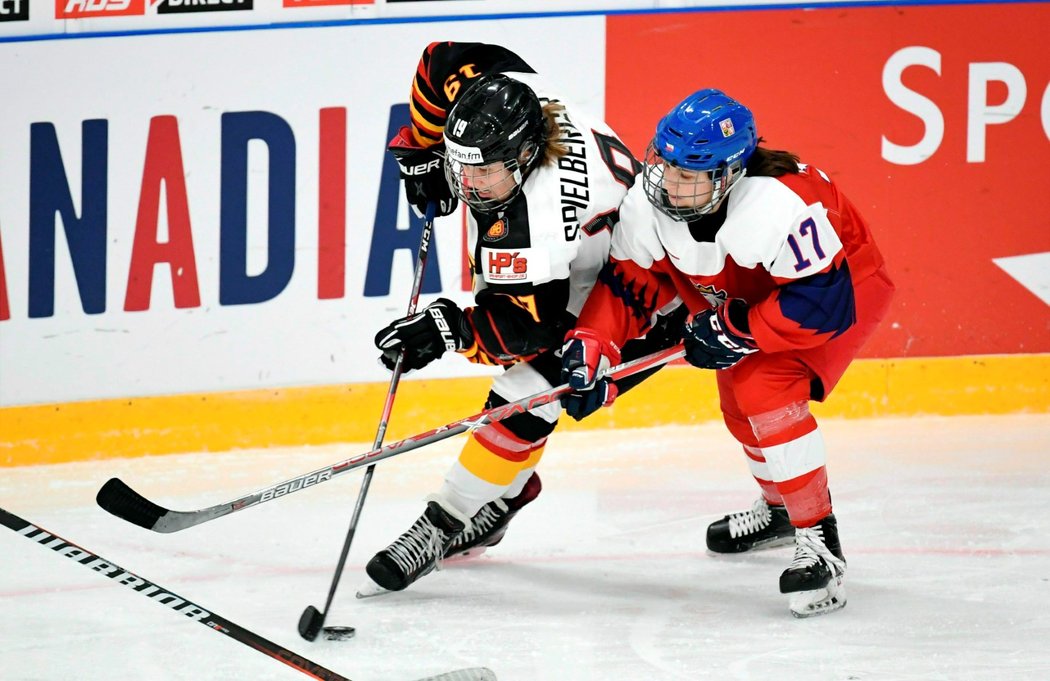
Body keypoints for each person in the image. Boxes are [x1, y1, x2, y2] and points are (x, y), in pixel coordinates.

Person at [560, 88, 895, 617]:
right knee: (738, 404)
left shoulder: (779, 203)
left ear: (727, 176)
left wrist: (738, 328)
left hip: (838, 287)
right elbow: (629, 281)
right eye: (665, 165)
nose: (669, 184)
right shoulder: (652, 203)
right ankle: (783, 511)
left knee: (763, 388)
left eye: (688, 176)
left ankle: (820, 542)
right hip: (750, 288)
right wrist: (593, 342)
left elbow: (821, 302)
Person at [365, 42, 681, 593]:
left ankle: (444, 522)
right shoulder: (505, 108)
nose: (468, 187)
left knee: (529, 388)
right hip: (579, 266)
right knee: (532, 390)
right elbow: (442, 61)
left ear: (524, 158)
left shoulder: (536, 220)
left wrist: (447, 328)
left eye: (482, 174)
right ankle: (510, 492)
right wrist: (421, 148)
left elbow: (529, 331)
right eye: (460, 167)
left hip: (644, 299)